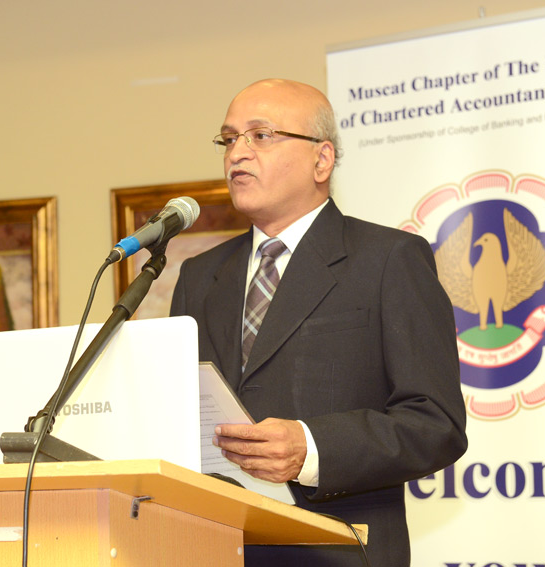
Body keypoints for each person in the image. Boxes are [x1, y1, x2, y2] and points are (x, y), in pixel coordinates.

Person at [170, 78, 467, 567]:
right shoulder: (200, 276)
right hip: (214, 549)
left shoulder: (389, 259)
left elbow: (436, 424)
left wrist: (310, 448)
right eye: (228, 139)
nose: (237, 153)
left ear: (322, 159)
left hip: (337, 550)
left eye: (261, 135)